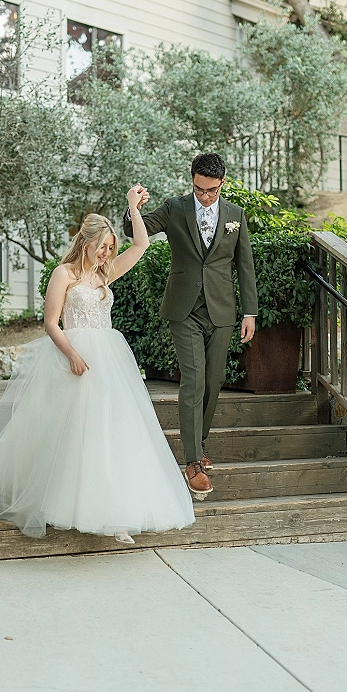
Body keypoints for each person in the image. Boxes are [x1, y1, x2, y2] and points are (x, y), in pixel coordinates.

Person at [0, 185, 195, 545]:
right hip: (73, 353)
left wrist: (133, 209)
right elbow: (50, 323)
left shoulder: (104, 275)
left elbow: (140, 245)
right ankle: (56, 502)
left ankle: (116, 515)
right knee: (72, 433)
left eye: (110, 247)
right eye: (103, 247)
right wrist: (73, 355)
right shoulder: (64, 274)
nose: (107, 252)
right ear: (86, 243)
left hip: (109, 358)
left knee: (112, 432)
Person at [124, 153, 258, 499]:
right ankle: (192, 463)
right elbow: (132, 231)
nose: (204, 196)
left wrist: (250, 313)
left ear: (222, 184)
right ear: (192, 181)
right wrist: (133, 208)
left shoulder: (235, 216)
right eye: (199, 189)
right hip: (183, 310)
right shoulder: (175, 208)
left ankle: (198, 443)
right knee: (194, 379)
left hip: (222, 311)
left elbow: (245, 265)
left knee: (214, 381)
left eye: (211, 191)